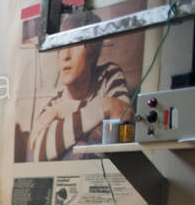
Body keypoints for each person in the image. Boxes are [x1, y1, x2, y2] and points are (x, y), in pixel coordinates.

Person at [28, 9, 130, 161]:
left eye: (75, 44)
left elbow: (123, 115)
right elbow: (38, 152)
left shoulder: (109, 75)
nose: (66, 56)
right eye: (62, 46)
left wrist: (65, 114)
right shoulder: (53, 105)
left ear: (92, 53)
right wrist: (104, 107)